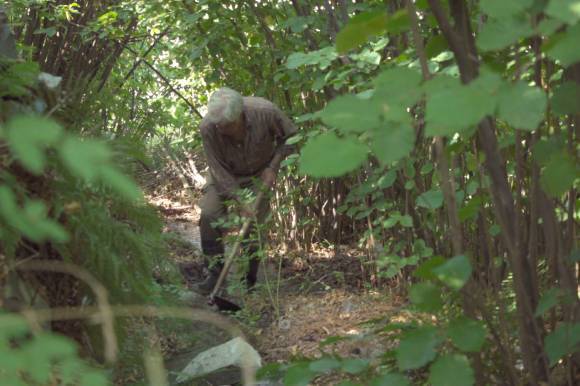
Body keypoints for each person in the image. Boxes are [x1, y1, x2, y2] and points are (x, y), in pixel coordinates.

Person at [195, 87, 296, 294]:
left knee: (254, 225)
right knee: (209, 215)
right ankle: (214, 276)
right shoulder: (208, 127)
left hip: (259, 174)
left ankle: (248, 280)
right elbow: (218, 169)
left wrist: (273, 167)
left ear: (240, 116)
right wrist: (240, 199)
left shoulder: (265, 112)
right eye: (218, 125)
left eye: (226, 125)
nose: (220, 129)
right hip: (223, 175)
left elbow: (291, 138)